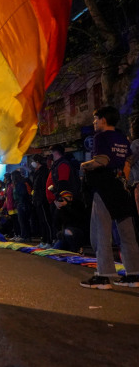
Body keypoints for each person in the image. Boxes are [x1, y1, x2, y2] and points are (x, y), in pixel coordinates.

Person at [79, 106, 139, 289]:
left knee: (101, 231)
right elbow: (129, 160)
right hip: (122, 186)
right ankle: (134, 275)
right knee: (127, 232)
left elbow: (102, 160)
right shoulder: (122, 137)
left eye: (96, 119)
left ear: (103, 120)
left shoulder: (101, 137)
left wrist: (84, 165)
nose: (94, 122)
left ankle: (103, 276)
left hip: (104, 186)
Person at [31, 154, 53, 248]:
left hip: (43, 199)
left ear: (37, 162)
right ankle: (43, 240)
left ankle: (49, 241)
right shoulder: (38, 172)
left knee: (46, 221)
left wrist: (40, 198)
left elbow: (43, 187)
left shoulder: (44, 172)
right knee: (41, 221)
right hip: (38, 200)